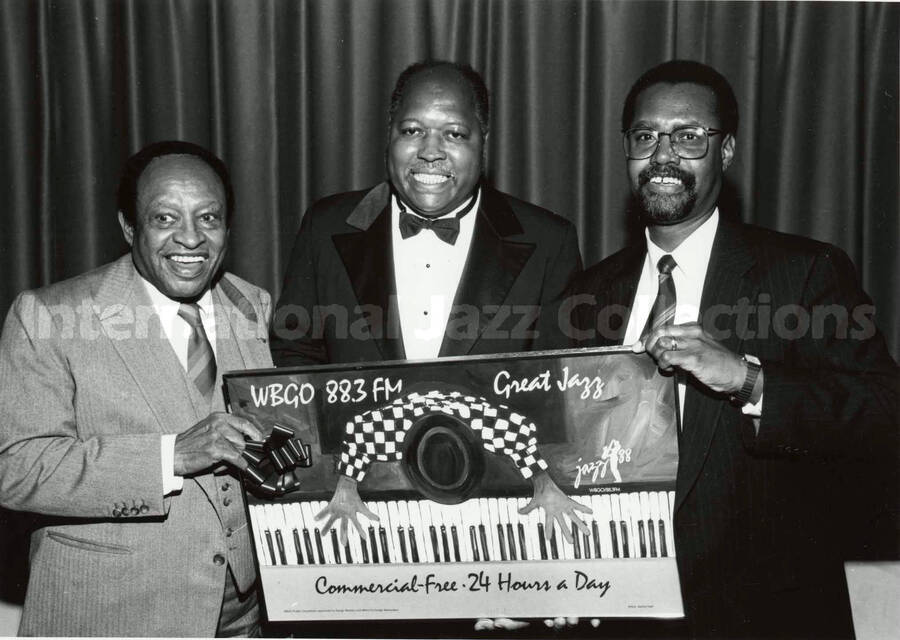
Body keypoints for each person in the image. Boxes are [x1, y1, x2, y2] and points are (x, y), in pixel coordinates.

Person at [562, 60, 898, 637]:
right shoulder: (586, 293)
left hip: (768, 616)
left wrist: (750, 380)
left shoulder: (804, 272)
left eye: (689, 136)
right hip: (621, 616)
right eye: (645, 136)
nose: (662, 154)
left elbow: (884, 413)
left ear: (727, 151)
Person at [271, 60, 588, 545]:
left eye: (455, 134)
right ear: (389, 136)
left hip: (498, 522)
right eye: (413, 130)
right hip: (356, 516)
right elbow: (294, 362)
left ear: (484, 140)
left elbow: (555, 400)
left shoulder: (549, 241)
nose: (431, 152)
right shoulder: (326, 225)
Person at [0, 141, 273, 636]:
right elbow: (15, 468)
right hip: (114, 614)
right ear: (129, 227)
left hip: (242, 620)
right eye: (165, 219)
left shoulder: (252, 305)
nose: (190, 239)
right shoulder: (48, 316)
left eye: (208, 218)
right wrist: (169, 457)